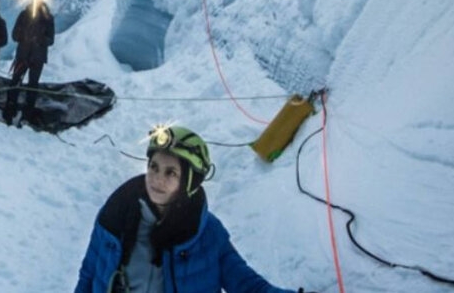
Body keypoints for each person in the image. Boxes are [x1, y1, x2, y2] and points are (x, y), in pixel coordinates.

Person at [74, 124, 306, 293]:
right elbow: (89, 275)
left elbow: (247, 285)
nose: (156, 179)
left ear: (189, 182)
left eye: (170, 172)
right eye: (153, 167)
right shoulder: (114, 217)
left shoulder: (207, 234)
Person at [4, 0, 55, 126]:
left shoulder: (47, 18)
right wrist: (24, 35)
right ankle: (10, 112)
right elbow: (14, 35)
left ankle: (26, 115)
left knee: (32, 85)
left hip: (36, 58)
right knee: (15, 82)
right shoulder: (24, 15)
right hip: (24, 56)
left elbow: (51, 39)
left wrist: (39, 39)